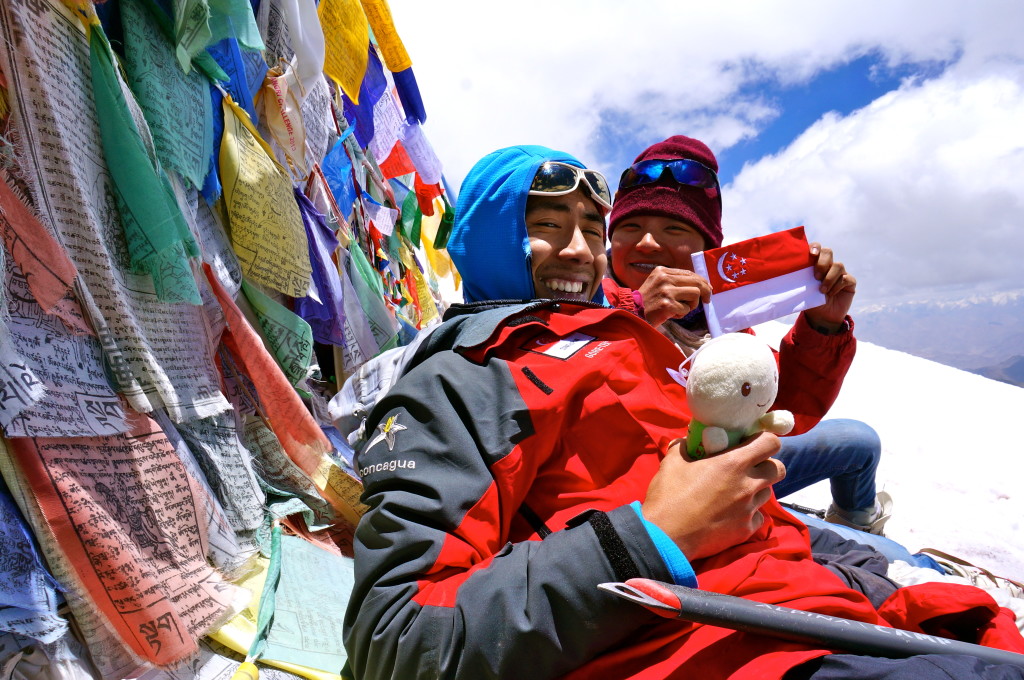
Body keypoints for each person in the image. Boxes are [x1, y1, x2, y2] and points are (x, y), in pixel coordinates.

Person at [341, 145, 1024, 680]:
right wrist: (656, 531)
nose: (584, 248)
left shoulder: (631, 332)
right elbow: (394, 640)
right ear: (489, 237)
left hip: (792, 583)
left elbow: (751, 427)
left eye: (589, 227)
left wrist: (851, 564)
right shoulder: (470, 372)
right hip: (718, 641)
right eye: (548, 226)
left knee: (945, 591)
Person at [602, 135, 892, 536]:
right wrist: (635, 313)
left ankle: (856, 526)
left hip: (736, 460)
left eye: (673, 228)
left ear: (707, 250)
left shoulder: (717, 318)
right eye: (630, 226)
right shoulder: (591, 303)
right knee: (907, 566)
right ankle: (857, 539)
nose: (648, 242)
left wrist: (823, 325)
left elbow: (784, 409)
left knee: (859, 441)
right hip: (678, 500)